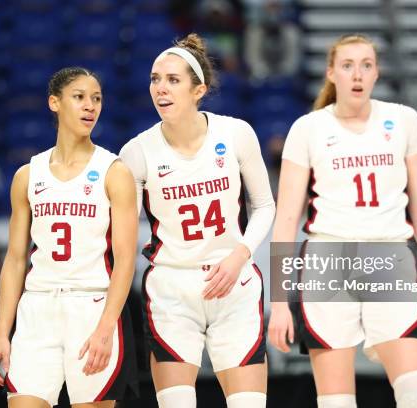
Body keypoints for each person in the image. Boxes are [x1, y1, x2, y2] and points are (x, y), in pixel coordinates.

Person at [268, 34, 417, 408]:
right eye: (347, 65)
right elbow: (287, 218)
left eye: (367, 65)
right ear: (331, 73)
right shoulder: (308, 129)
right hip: (329, 262)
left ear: (376, 74)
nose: (357, 74)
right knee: (336, 402)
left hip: (389, 259)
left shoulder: (405, 121)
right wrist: (279, 302)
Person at [119, 33, 275, 408]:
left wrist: (240, 254)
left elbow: (265, 206)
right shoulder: (136, 152)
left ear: (198, 90)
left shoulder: (236, 133)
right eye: (155, 79)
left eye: (173, 80)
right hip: (172, 288)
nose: (161, 89)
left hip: (233, 282)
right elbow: (119, 237)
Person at [0, 67, 139, 407]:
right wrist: (1, 334)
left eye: (97, 99)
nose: (90, 107)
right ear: (54, 103)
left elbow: (126, 260)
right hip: (37, 308)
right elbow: (14, 260)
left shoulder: (115, 172)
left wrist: (106, 327)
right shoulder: (28, 175)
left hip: (92, 307)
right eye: (80, 97)